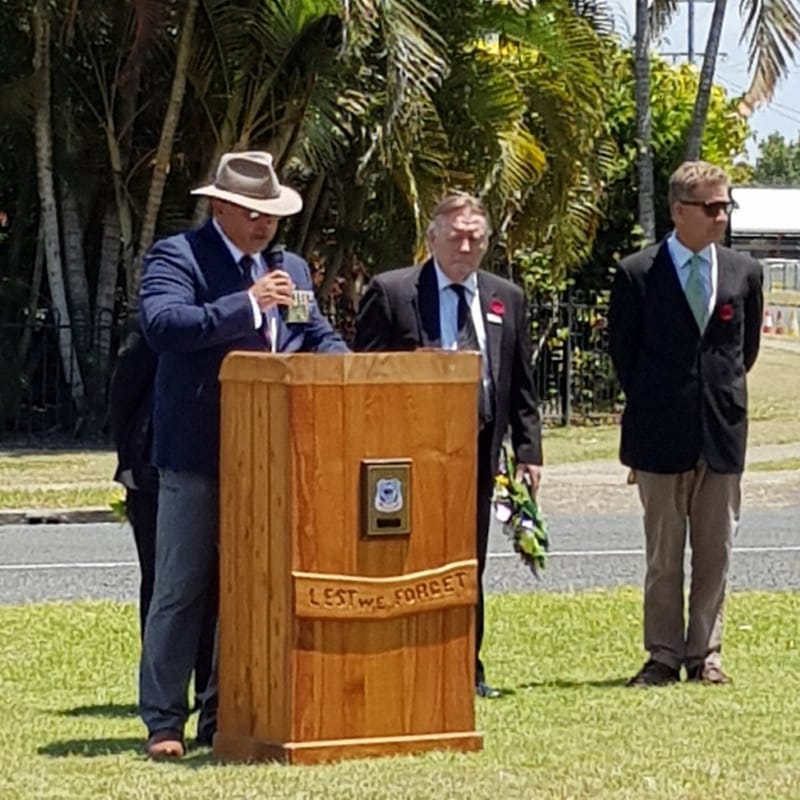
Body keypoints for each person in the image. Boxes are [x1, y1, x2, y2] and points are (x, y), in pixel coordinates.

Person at [138, 150, 348, 758]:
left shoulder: (292, 268)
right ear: (221, 207)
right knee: (182, 587)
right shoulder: (179, 256)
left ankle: (226, 714)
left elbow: (310, 333)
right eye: (253, 213)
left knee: (253, 587)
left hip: (275, 458)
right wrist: (250, 303)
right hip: (198, 453)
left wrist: (348, 368)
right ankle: (163, 721)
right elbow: (164, 325)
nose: (265, 226)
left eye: (272, 215)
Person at [354, 193, 543, 699]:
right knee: (404, 562)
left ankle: (465, 668)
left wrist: (529, 451)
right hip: (405, 455)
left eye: (475, 238)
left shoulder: (507, 298)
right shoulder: (393, 292)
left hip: (476, 452)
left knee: (467, 563)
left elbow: (521, 384)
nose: (465, 246)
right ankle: (401, 663)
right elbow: (363, 378)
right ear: (432, 238)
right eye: (456, 235)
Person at [608, 160, 763, 687]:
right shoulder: (636, 274)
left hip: (721, 432)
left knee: (716, 551)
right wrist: (662, 400)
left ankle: (706, 655)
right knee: (664, 554)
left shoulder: (744, 272)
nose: (722, 216)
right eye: (711, 206)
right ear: (679, 211)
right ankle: (663, 655)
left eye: (726, 206)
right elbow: (624, 355)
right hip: (658, 433)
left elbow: (744, 354)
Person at [107, 316, 216, 705]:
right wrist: (128, 462)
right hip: (155, 467)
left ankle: (211, 696)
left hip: (224, 462)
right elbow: (124, 396)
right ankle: (164, 699)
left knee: (219, 591)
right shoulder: (160, 323)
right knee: (165, 583)